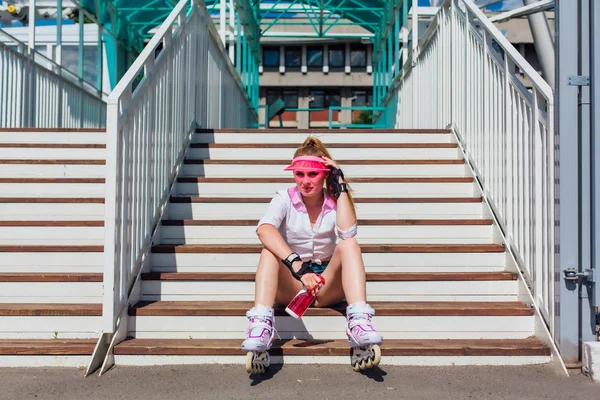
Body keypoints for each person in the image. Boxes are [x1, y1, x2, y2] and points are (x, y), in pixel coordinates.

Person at [241, 136, 383, 370]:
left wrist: (341, 185)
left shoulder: (335, 199)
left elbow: (347, 232)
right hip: (293, 283)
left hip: (327, 285)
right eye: (299, 174)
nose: (305, 181)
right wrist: (298, 266)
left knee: (349, 245)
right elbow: (264, 229)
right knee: (269, 251)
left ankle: (358, 322)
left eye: (312, 174)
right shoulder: (284, 197)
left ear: (324, 174)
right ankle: (261, 326)